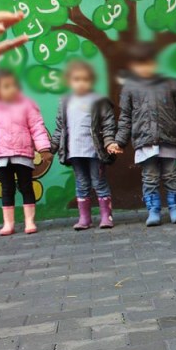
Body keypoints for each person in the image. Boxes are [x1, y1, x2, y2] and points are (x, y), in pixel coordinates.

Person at [115, 42, 176, 226]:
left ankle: (175, 209)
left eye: (148, 62)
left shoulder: (172, 85)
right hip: (145, 141)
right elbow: (125, 117)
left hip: (169, 139)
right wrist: (119, 141)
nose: (144, 67)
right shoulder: (129, 89)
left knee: (171, 175)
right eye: (140, 63)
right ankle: (153, 211)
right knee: (149, 177)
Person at [50, 60, 120, 230]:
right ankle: (84, 218)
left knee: (99, 182)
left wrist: (110, 142)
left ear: (92, 81)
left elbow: (109, 124)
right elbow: (60, 127)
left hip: (94, 151)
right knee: (81, 183)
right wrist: (50, 149)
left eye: (85, 79)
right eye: (77, 79)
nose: (81, 83)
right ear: (69, 81)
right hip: (74, 151)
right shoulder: (65, 101)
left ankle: (106, 216)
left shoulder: (98, 101)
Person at [0, 69, 51, 235]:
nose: (11, 89)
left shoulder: (26, 104)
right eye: (6, 86)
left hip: (23, 154)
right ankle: (8, 223)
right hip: (1, 155)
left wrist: (43, 148)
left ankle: (29, 221)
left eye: (13, 85)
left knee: (26, 186)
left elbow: (37, 127)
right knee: (7, 188)